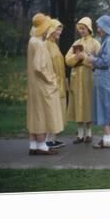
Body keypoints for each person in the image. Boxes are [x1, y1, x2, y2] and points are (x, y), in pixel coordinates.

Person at [26, 13, 64, 155]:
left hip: (34, 85)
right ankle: (42, 146)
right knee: (42, 114)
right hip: (42, 85)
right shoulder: (39, 44)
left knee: (34, 114)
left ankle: (33, 145)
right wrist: (52, 79)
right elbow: (39, 67)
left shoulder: (32, 41)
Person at [85, 15, 110, 148]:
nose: (98, 29)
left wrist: (92, 60)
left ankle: (106, 139)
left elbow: (106, 61)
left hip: (106, 82)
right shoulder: (109, 40)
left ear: (105, 27)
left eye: (99, 26)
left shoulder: (109, 41)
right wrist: (95, 61)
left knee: (105, 109)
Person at [65, 17, 101, 144]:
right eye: (79, 29)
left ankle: (89, 133)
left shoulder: (95, 43)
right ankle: (80, 134)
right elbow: (67, 60)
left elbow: (99, 61)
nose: (81, 31)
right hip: (76, 78)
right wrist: (76, 57)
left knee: (88, 104)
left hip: (88, 78)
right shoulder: (76, 43)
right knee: (77, 105)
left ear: (89, 28)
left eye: (83, 28)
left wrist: (84, 59)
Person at [44, 19, 67, 149]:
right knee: (51, 111)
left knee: (57, 111)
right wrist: (51, 81)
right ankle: (47, 140)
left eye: (61, 29)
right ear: (51, 29)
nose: (60, 32)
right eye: (57, 29)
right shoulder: (46, 45)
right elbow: (45, 66)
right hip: (52, 84)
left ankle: (52, 139)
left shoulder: (54, 45)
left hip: (60, 84)